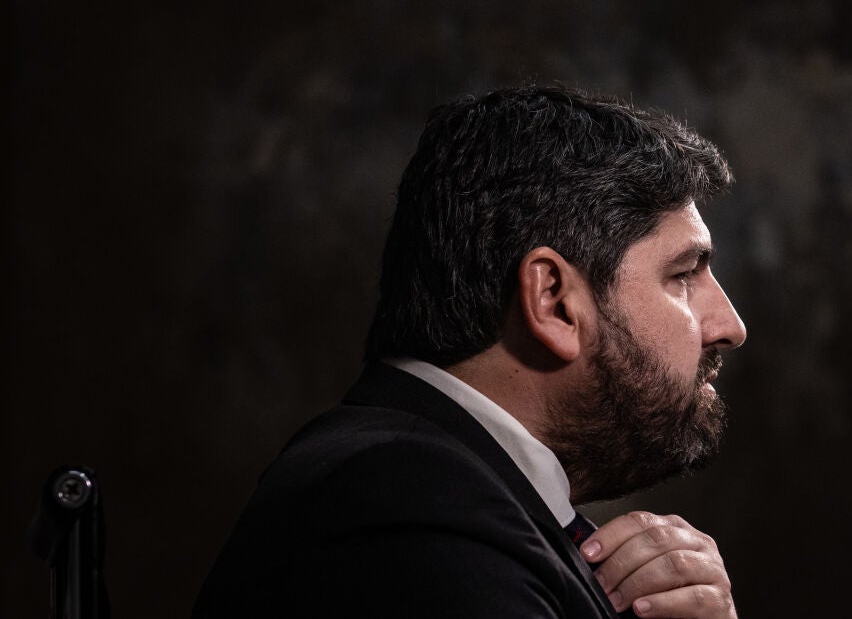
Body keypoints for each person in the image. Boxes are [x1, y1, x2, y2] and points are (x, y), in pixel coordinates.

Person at [195, 85, 748, 618]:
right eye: (683, 274)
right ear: (554, 301)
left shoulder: (433, 486)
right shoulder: (413, 511)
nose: (731, 326)